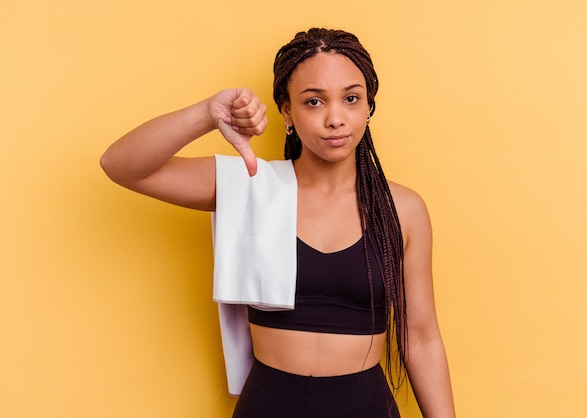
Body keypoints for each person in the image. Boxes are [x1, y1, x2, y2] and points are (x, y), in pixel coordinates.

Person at [100, 28, 455, 418]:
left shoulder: (402, 209)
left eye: (351, 98)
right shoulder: (252, 185)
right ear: (287, 111)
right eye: (314, 101)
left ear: (369, 106)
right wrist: (207, 113)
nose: (335, 118)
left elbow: (420, 337)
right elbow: (122, 165)